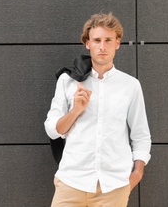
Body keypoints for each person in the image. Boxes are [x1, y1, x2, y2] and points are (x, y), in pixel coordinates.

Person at [44, 12, 151, 207]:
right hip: (71, 184)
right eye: (97, 40)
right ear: (87, 43)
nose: (102, 46)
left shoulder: (130, 85)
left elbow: (141, 135)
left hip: (113, 189)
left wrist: (136, 174)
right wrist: (75, 111)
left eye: (108, 40)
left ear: (117, 43)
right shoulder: (68, 81)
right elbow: (52, 129)